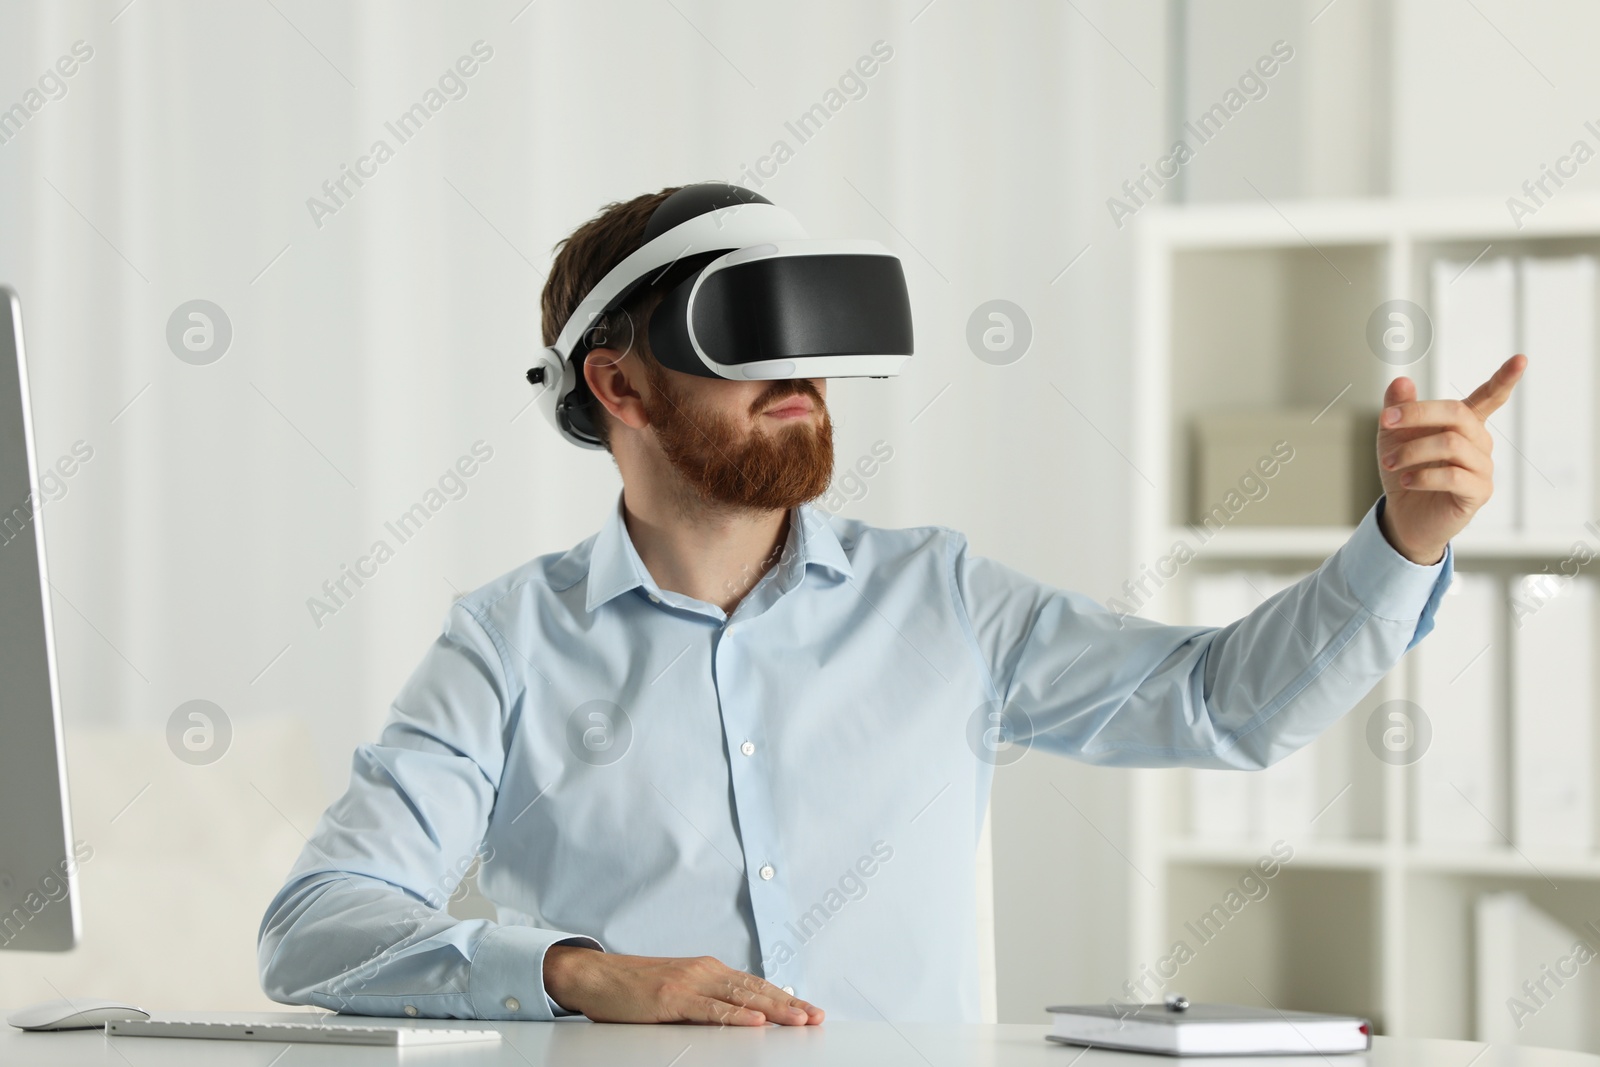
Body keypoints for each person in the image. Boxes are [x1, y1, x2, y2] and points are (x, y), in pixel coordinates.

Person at [258, 185, 1526, 1027]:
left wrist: (1403, 544)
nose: (801, 374)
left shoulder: (943, 599)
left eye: (810, 336)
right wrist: (578, 971)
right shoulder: (507, 642)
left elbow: (1219, 704)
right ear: (620, 386)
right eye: (747, 338)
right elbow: (317, 926)